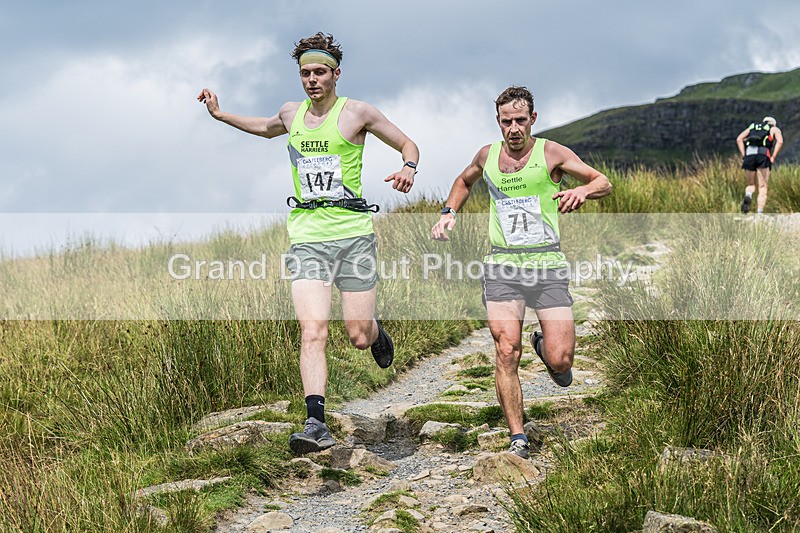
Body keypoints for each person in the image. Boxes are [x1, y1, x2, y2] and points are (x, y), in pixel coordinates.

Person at [198, 32, 419, 455]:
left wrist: (408, 166)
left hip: (353, 236)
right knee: (312, 329)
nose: (312, 80)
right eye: (305, 73)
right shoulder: (290, 113)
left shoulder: (358, 113)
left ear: (336, 74)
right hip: (307, 238)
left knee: (356, 334)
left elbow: (408, 144)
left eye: (320, 72)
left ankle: (375, 333)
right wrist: (220, 114)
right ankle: (315, 421)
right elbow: (265, 128)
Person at [430, 86, 611, 459]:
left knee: (562, 360)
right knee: (505, 350)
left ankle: (544, 348)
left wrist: (582, 192)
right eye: (506, 121)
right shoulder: (487, 155)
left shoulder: (551, 153)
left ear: (533, 119)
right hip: (502, 265)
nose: (514, 128)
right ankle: (517, 435)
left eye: (520, 120)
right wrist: (449, 213)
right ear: (498, 121)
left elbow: (602, 182)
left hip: (547, 266)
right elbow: (464, 181)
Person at [736, 116, 783, 215]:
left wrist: (744, 155)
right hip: (763, 156)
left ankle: (748, 195)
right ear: (773, 124)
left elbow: (739, 139)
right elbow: (780, 141)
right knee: (762, 187)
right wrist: (773, 157)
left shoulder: (753, 127)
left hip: (749, 155)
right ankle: (759, 213)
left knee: (751, 185)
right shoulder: (774, 129)